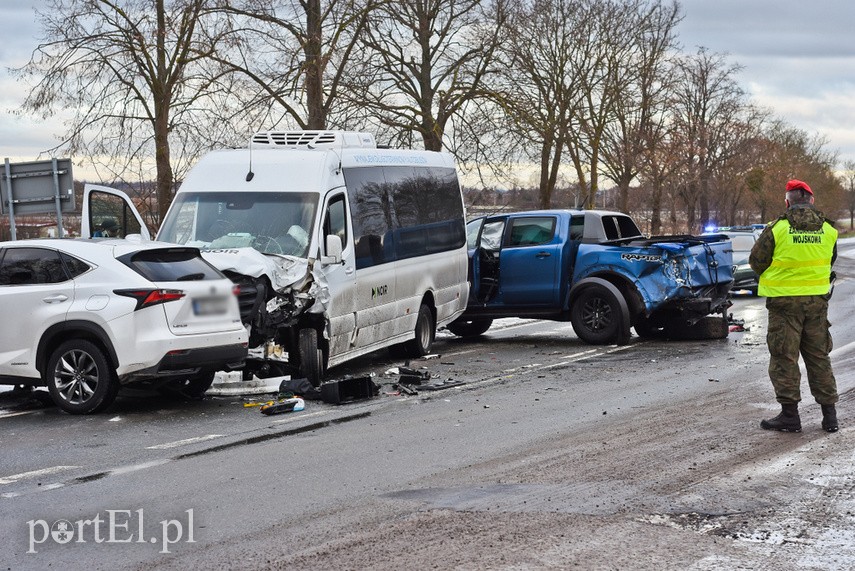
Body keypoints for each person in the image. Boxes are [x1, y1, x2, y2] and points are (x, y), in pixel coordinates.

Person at [749, 179, 839, 433]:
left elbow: (756, 262)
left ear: (787, 201)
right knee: (819, 357)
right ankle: (830, 417)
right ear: (811, 200)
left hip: (784, 305)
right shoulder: (829, 230)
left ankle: (790, 416)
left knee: (784, 358)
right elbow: (830, 260)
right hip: (817, 305)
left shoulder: (778, 229)